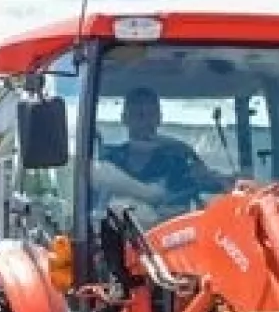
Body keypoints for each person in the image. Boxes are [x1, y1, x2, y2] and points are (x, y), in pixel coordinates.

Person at [92, 87, 234, 220]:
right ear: (125, 119)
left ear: (159, 119)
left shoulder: (180, 160)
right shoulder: (110, 159)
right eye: (139, 116)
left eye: (151, 116)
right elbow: (95, 191)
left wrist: (229, 180)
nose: (146, 123)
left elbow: (213, 183)